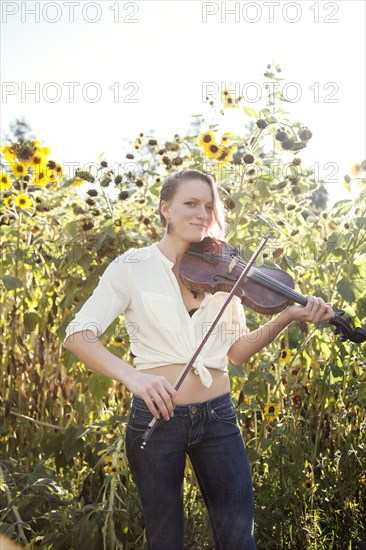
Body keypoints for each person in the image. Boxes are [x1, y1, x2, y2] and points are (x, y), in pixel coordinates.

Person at [63, 169, 334, 549]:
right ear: (166, 209)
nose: (202, 213)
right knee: (166, 538)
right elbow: (78, 335)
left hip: (219, 417)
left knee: (239, 538)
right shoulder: (132, 267)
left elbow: (236, 352)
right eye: (191, 203)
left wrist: (287, 315)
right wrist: (133, 378)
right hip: (157, 416)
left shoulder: (227, 269)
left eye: (208, 206)